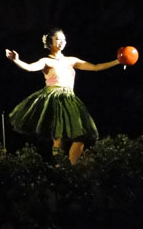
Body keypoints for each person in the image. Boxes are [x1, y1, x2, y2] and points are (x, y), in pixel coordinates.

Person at [6, 28, 120, 164]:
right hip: (54, 98)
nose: (62, 42)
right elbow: (30, 67)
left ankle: (71, 169)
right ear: (50, 43)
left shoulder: (71, 60)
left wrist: (119, 61)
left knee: (80, 137)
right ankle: (60, 168)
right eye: (58, 39)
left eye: (64, 39)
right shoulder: (46, 61)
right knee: (58, 137)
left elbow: (96, 67)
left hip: (70, 99)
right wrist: (17, 61)